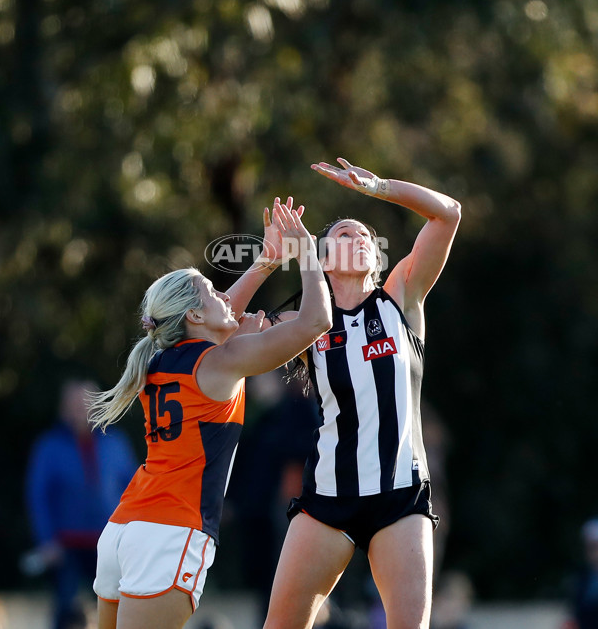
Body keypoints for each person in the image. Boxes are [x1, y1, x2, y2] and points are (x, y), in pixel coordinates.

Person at [88, 201, 332, 629]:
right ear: (194, 316)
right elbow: (316, 321)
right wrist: (307, 253)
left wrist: (267, 262)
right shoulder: (220, 361)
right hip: (170, 533)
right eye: (212, 291)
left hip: (124, 527)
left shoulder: (159, 357)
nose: (226, 296)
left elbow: (220, 319)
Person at [263, 158, 461, 629]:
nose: (360, 239)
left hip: (400, 495)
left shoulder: (401, 298)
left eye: (366, 236)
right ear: (323, 259)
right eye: (345, 235)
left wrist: (378, 187)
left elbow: (448, 213)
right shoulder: (305, 323)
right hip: (328, 497)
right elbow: (227, 336)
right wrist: (268, 260)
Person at [24, 378, 137, 629]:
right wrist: (46, 540)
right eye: (73, 404)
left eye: (85, 403)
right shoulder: (49, 446)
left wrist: (131, 537)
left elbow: (133, 490)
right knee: (66, 611)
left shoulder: (115, 442)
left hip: (108, 542)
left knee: (117, 607)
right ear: (63, 408)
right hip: (66, 545)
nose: (80, 410)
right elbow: (39, 496)